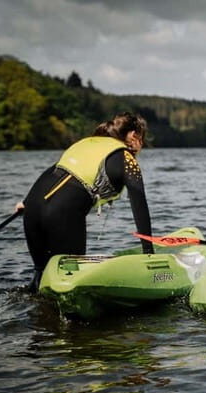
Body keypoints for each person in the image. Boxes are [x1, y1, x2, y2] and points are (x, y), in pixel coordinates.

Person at [19, 112, 154, 292]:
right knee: (70, 285)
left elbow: (54, 171)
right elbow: (140, 207)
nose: (142, 145)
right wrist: (149, 256)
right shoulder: (126, 157)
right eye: (142, 139)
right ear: (133, 135)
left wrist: (26, 202)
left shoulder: (86, 143)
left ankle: (36, 315)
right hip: (62, 214)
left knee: (41, 278)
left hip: (32, 211)